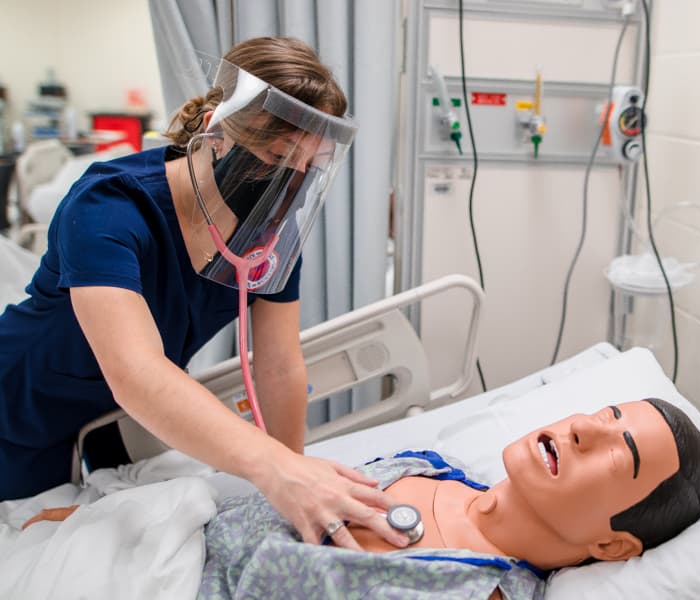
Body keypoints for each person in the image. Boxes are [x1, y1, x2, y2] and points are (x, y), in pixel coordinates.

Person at [0, 36, 409, 550]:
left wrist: (294, 479)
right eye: (278, 155)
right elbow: (139, 372)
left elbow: (279, 365)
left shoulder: (268, 237)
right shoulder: (110, 206)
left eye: (310, 165)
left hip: (117, 426)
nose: (291, 182)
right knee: (31, 543)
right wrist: (277, 470)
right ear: (217, 131)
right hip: (22, 412)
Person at [194, 397, 700, 599]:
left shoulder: (480, 589)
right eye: (600, 416)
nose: (578, 429)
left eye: (617, 457)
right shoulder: (431, 466)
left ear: (613, 547)